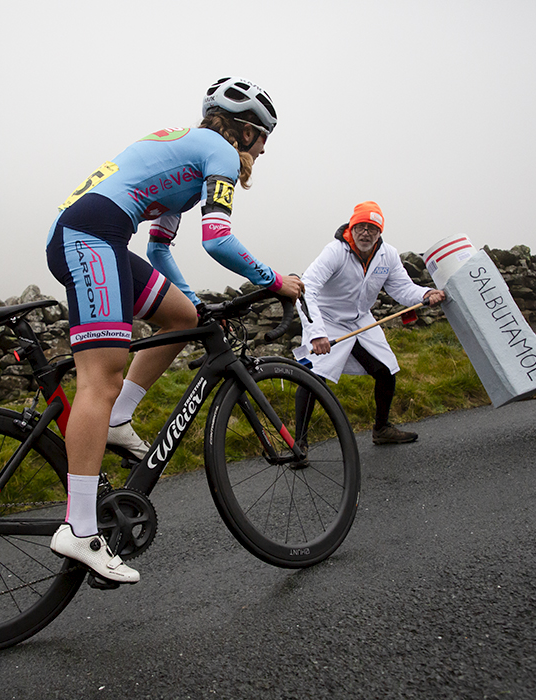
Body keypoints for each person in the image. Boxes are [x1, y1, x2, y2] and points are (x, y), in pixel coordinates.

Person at [46, 77, 305, 585]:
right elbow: (218, 239)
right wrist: (274, 280)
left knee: (183, 320)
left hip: (97, 235)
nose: (264, 149)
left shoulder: (188, 151)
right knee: (99, 380)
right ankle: (78, 528)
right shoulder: (221, 155)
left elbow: (160, 250)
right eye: (264, 138)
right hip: (92, 238)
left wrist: (195, 301)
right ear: (246, 132)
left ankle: (119, 420)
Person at [294, 201, 445, 450]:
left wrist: (426, 293)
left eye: (372, 228)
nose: (366, 232)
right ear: (351, 227)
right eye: (361, 226)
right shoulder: (334, 252)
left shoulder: (389, 255)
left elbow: (402, 288)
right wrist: (316, 334)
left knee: (385, 370)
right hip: (327, 319)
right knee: (312, 377)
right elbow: (305, 290)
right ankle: (299, 443)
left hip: (361, 321)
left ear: (379, 232)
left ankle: (382, 429)